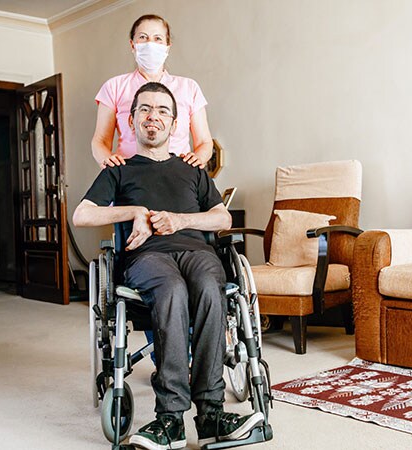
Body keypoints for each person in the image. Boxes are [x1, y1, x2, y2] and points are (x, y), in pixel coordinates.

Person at [73, 82, 263, 450]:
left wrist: (180, 220)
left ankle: (211, 414)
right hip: (147, 257)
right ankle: (170, 418)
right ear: (131, 121)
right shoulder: (119, 169)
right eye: (144, 110)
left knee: (210, 289)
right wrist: (136, 212)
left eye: (162, 111)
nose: (153, 117)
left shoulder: (192, 170)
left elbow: (222, 219)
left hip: (197, 252)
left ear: (174, 124)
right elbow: (82, 214)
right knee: (172, 290)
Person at [91, 14, 213, 170]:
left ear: (168, 46)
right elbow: (100, 140)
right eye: (143, 37)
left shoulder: (189, 88)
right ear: (132, 44)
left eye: (158, 39)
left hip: (178, 174)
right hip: (130, 175)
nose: (150, 44)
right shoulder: (114, 86)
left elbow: (204, 142)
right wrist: (110, 166)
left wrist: (198, 159)